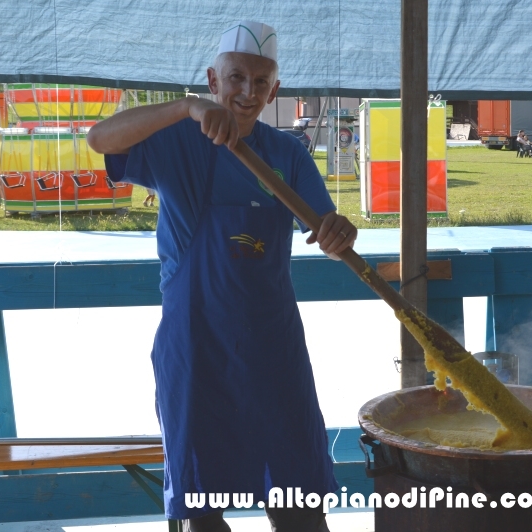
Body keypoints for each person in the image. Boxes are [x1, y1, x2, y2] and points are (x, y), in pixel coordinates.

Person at [87, 21, 357, 532]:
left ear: (274, 91)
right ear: (214, 80)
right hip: (196, 350)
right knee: (201, 511)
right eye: (235, 78)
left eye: (260, 82)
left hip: (273, 351)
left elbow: (326, 233)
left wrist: (339, 233)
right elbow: (100, 138)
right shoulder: (177, 144)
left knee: (300, 505)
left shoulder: (288, 156)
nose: (247, 92)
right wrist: (185, 107)